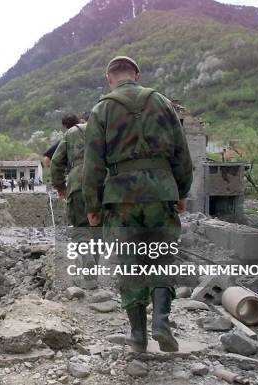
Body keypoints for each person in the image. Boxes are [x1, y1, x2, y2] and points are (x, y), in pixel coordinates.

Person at [82, 56, 193, 353]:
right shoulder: (163, 103)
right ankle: (161, 321)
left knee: (130, 264)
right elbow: (182, 153)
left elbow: (92, 163)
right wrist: (181, 192)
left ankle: (138, 337)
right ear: (137, 75)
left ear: (109, 78)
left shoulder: (101, 109)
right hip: (160, 192)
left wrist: (92, 205)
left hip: (121, 198)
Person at [51, 113, 100, 288]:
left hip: (78, 183)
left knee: (80, 228)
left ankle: (87, 262)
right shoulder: (104, 130)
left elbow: (56, 162)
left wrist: (60, 187)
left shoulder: (71, 133)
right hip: (103, 183)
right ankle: (93, 273)